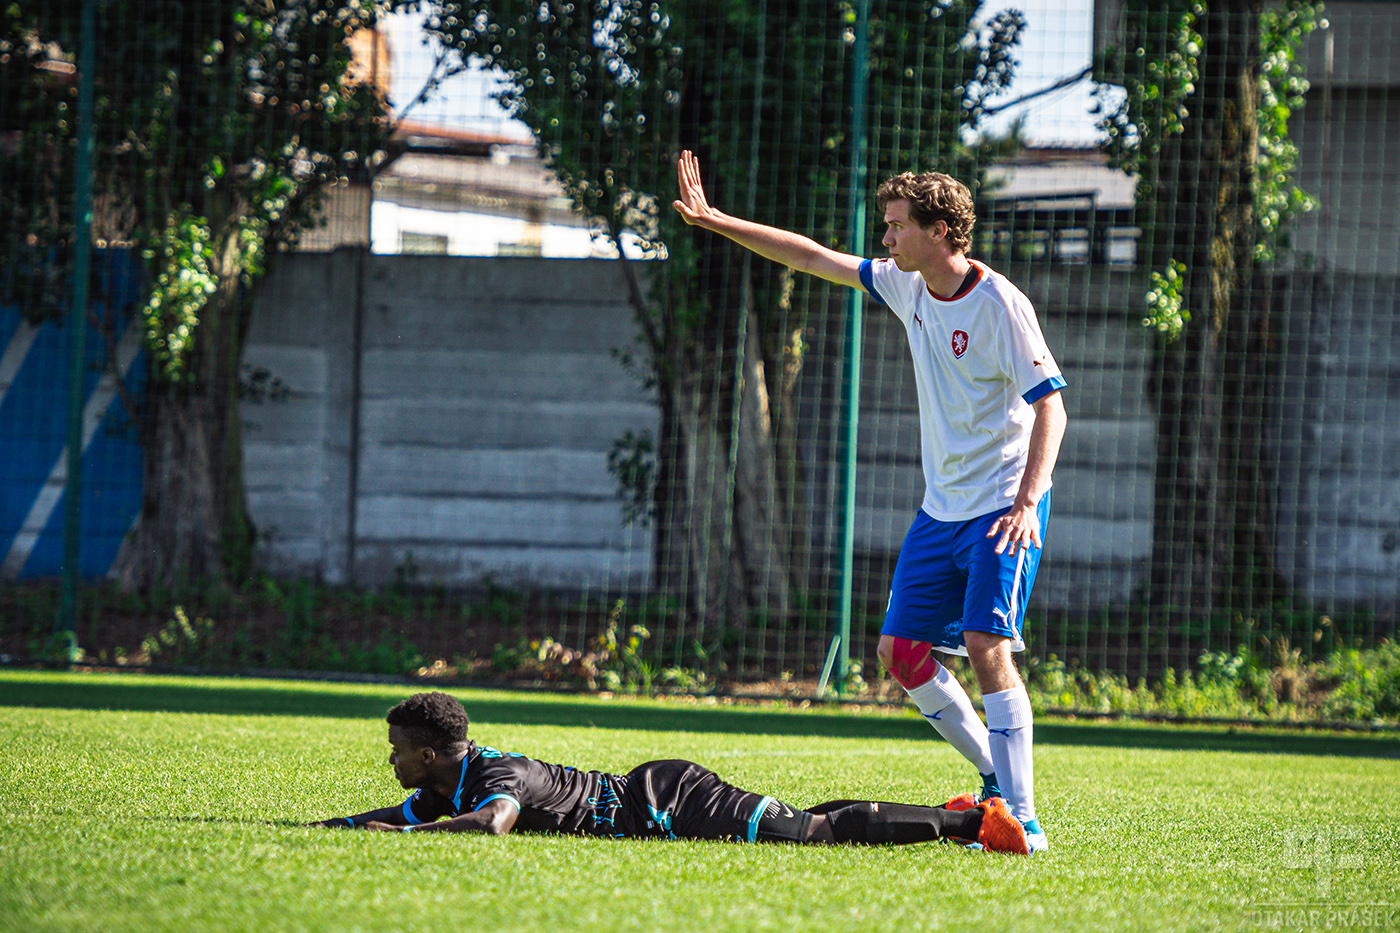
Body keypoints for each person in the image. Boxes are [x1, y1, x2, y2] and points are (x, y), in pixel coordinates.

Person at [672, 151, 1067, 853]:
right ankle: (993, 776)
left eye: (896, 226)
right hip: (940, 509)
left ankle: (1024, 820)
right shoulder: (905, 285)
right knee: (901, 652)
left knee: (986, 645)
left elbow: (1051, 407)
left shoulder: (1000, 304)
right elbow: (811, 257)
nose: (884, 238)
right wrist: (716, 221)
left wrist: (1027, 501)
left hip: (1003, 508)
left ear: (940, 231)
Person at [309, 692, 1031, 855]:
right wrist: (326, 826)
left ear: (429, 755)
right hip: (656, 802)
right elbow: (396, 815)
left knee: (812, 833)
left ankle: (976, 822)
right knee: (804, 818)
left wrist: (403, 838)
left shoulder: (501, 773)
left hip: (667, 798)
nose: (391, 760)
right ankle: (950, 809)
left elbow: (495, 823)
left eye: (397, 750)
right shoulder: (444, 786)